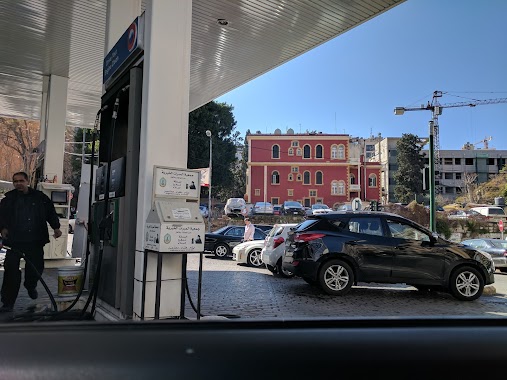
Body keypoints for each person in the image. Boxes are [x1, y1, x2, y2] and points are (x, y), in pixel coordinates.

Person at [0, 172, 62, 312]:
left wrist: (56, 228)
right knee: (11, 271)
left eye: (21, 181)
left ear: (27, 181)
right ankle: (7, 303)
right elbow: (1, 216)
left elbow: (50, 213)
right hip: (14, 241)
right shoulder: (8, 200)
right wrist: (2, 228)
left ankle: (30, 285)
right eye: (15, 181)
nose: (18, 184)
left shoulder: (40, 198)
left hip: (35, 240)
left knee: (35, 268)